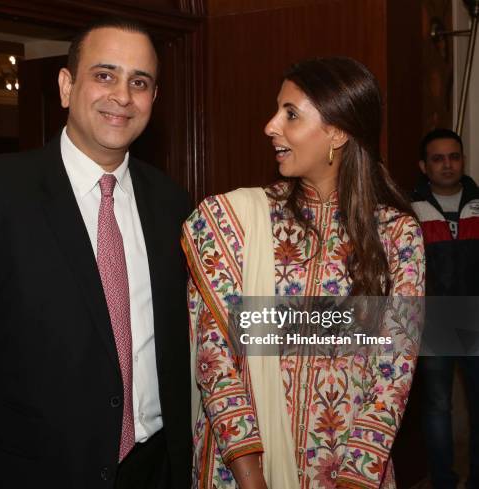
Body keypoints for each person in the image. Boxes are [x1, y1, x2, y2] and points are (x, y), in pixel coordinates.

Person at [0, 18, 191, 489]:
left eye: (140, 82)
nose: (123, 96)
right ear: (67, 86)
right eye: (104, 75)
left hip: (155, 470)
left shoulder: (172, 204)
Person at [182, 57, 425, 488]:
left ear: (338, 130)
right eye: (278, 110)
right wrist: (252, 476)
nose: (271, 126)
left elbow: (393, 374)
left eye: (290, 114)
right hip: (241, 470)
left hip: (351, 472)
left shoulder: (395, 235)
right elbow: (214, 356)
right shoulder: (235, 221)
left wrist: (356, 477)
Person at [412, 128, 479, 489]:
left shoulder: (478, 201)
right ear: (424, 166)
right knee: (437, 408)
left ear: (462, 160)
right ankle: (443, 482)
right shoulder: (409, 209)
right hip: (433, 320)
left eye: (454, 156)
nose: (448, 164)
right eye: (438, 158)